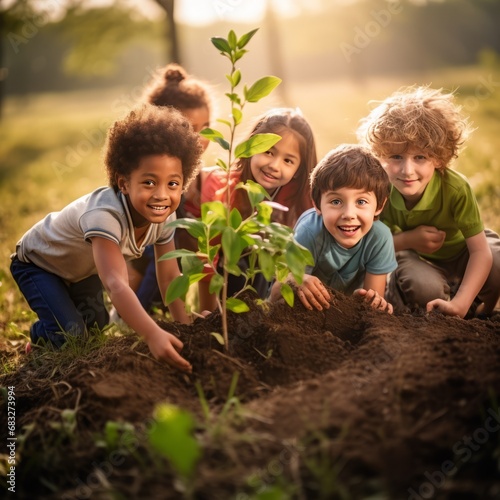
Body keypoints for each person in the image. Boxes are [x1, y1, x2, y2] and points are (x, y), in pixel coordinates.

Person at [10, 104, 202, 372]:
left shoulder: (165, 218)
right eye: (149, 182)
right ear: (123, 182)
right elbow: (115, 283)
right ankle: (41, 336)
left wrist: (185, 327)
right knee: (72, 335)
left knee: (98, 325)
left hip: (81, 271)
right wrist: (152, 333)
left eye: (172, 184)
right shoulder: (105, 214)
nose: (161, 195)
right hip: (39, 265)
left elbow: (169, 276)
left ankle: (62, 316)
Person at [357, 85, 500, 318]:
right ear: (381, 154)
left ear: (439, 158)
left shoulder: (455, 188)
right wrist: (408, 240)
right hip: (416, 258)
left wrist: (463, 304)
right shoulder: (381, 191)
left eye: (420, 157)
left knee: (496, 264)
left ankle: (473, 304)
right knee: (425, 289)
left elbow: (480, 252)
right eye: (396, 156)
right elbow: (369, 247)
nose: (407, 170)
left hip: (464, 253)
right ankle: (403, 295)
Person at [198, 107, 318, 307]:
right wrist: (210, 315)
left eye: (288, 160)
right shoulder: (226, 191)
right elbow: (207, 257)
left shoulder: (302, 199)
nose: (274, 165)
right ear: (250, 148)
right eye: (268, 152)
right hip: (227, 271)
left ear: (298, 170)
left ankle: (263, 311)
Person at [269, 144, 396, 313]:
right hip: (305, 311)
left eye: (361, 202)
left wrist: (372, 301)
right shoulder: (310, 230)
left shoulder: (380, 237)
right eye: (336, 202)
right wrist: (296, 280)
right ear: (317, 204)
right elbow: (276, 293)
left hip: (344, 313)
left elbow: (373, 302)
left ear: (379, 205)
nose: (349, 214)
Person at [126, 63, 212, 313]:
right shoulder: (152, 170)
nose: (200, 138)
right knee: (175, 239)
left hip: (160, 253)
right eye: (188, 128)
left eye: (206, 127)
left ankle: (149, 306)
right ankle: (137, 309)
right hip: (142, 250)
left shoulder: (201, 174)